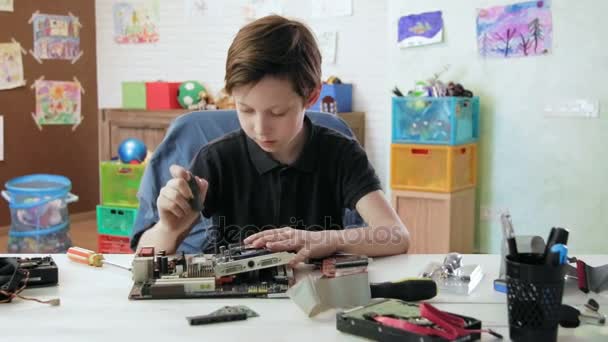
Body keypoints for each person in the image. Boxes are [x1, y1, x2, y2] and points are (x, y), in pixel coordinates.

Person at [135, 15, 410, 265]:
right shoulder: (216, 159)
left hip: (315, 300)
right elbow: (143, 258)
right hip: (236, 299)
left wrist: (323, 240)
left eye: (277, 112)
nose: (260, 128)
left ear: (311, 97)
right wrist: (168, 229)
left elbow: (397, 235)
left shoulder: (339, 153)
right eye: (245, 109)